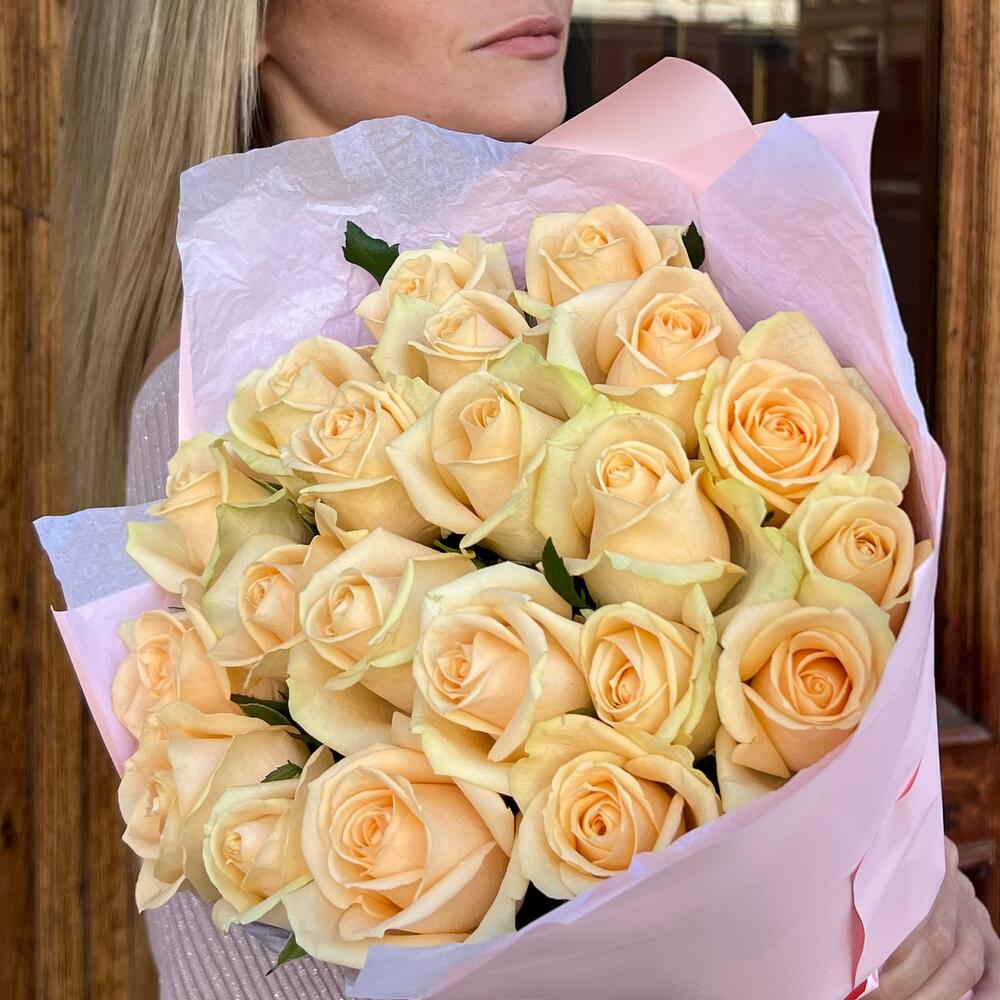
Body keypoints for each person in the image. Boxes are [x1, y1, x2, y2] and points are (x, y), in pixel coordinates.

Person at [59, 2, 1000, 998]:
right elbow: (235, 967)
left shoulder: (611, 278)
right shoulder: (211, 410)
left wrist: (905, 899)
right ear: (246, 21)